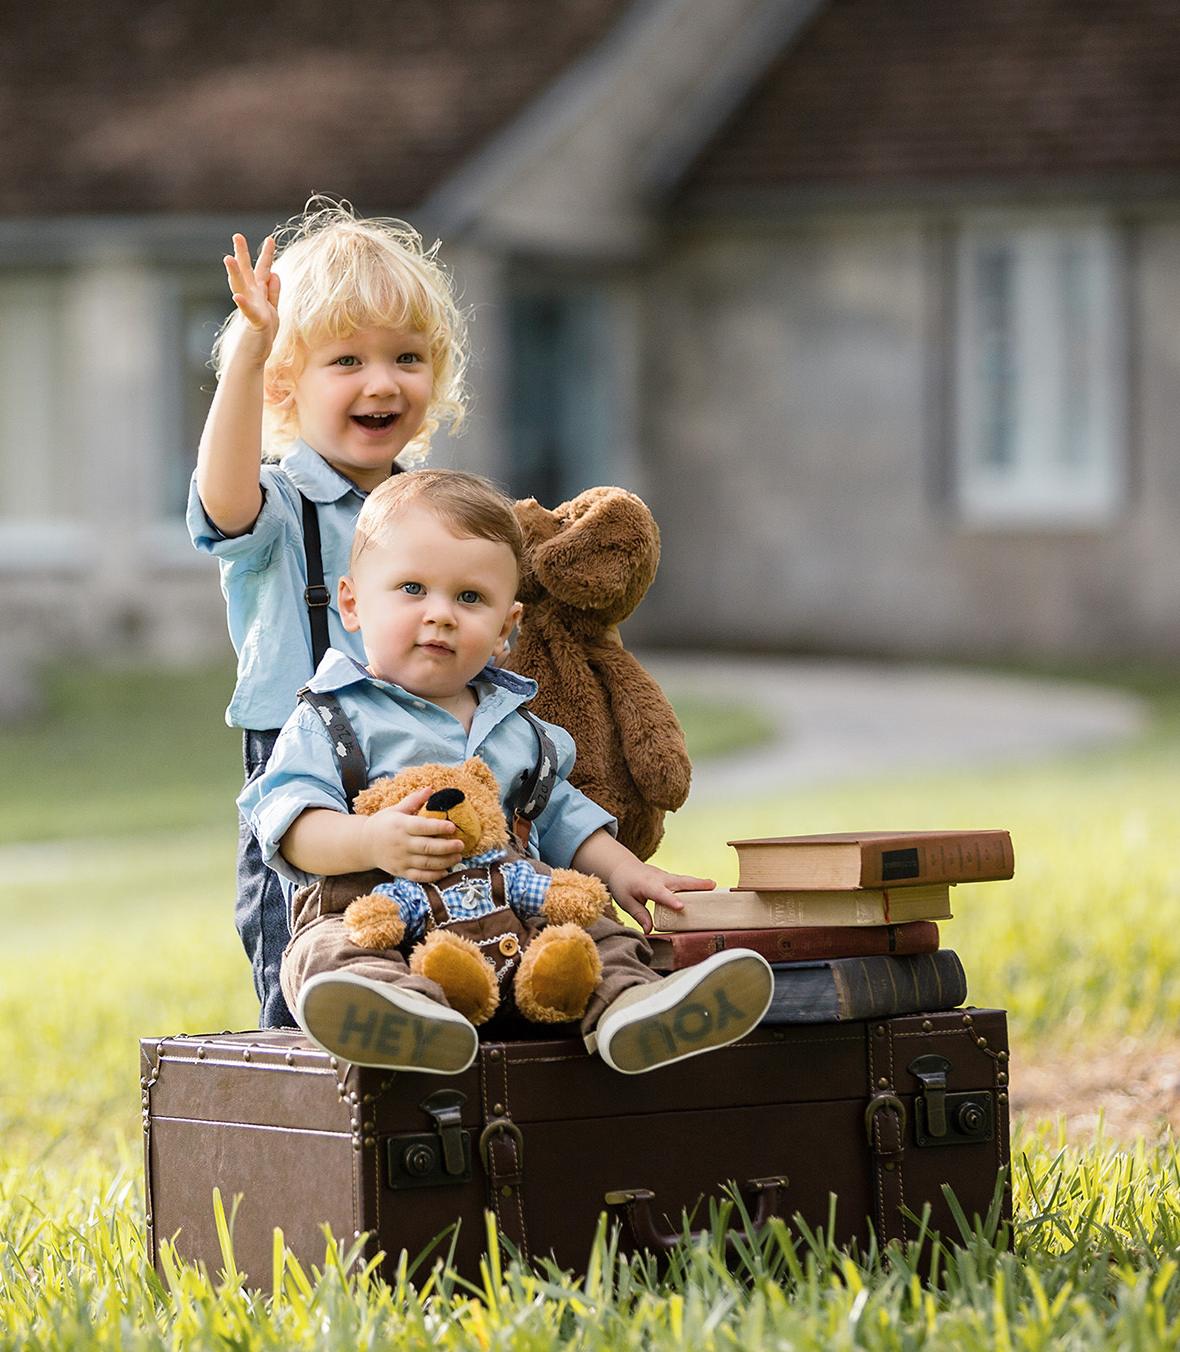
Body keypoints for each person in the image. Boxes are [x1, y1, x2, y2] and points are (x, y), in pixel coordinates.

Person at [242, 470, 775, 1075]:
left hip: (511, 914)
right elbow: (290, 825)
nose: (441, 615)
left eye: (470, 598)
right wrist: (369, 839)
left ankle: (633, 1006)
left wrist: (628, 871)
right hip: (380, 909)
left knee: (599, 931)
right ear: (352, 603)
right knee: (325, 949)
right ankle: (404, 1016)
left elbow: (565, 817)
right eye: (413, 589)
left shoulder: (519, 726)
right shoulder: (331, 716)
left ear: (505, 627)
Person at [190, 204, 471, 1029]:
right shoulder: (280, 505)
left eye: (406, 358)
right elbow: (223, 497)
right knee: (311, 976)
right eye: (347, 360)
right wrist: (251, 351)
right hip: (305, 775)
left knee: (442, 955)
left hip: (421, 758)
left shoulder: (435, 510)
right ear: (285, 386)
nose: (382, 382)